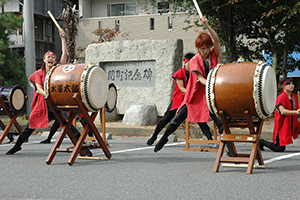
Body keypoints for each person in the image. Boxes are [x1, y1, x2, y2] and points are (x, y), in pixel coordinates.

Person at [6, 29, 92, 156]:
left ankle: (84, 149)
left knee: (69, 126)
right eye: (48, 57)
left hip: (55, 106)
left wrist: (63, 38)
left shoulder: (58, 70)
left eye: (52, 57)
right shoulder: (38, 74)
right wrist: (46, 93)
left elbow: (64, 55)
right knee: (29, 128)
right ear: (44, 60)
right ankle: (17, 146)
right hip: (42, 104)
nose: (51, 59)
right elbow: (39, 88)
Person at [154, 16, 224, 153]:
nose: (205, 51)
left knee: (220, 120)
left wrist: (207, 25)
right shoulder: (194, 61)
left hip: (210, 95)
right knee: (176, 119)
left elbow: (216, 40)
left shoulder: (214, 55)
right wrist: (211, 83)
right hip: (195, 96)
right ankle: (164, 138)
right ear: (198, 48)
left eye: (207, 47)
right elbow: (199, 78)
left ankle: (228, 145)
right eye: (202, 48)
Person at [146, 53, 195, 146]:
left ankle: (210, 139)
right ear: (185, 63)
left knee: (199, 120)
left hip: (188, 101)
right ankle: (154, 135)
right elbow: (181, 88)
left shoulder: (195, 74)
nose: (191, 66)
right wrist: (191, 93)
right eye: (189, 63)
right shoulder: (179, 73)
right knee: (165, 119)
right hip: (178, 100)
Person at [259, 77, 300, 152]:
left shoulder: (295, 97)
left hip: (294, 123)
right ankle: (262, 142)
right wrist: (296, 112)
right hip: (283, 125)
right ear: (283, 86)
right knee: (279, 148)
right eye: (288, 84)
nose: (291, 85)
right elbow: (283, 111)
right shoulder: (280, 98)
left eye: (292, 84)